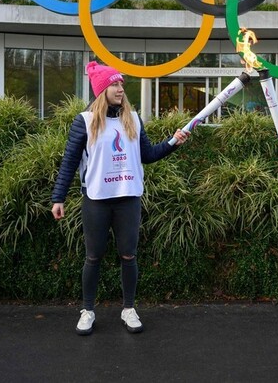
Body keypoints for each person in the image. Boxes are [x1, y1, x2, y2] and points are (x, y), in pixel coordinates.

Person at [51, 61, 189, 336]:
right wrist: (59, 198)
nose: (120, 88)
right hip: (97, 200)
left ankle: (128, 309)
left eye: (121, 84)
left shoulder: (133, 120)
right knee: (93, 257)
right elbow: (69, 162)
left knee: (129, 255)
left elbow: (147, 155)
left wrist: (173, 141)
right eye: (114, 84)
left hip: (128, 199)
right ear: (102, 89)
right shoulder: (85, 121)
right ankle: (87, 310)